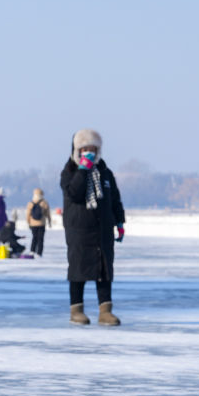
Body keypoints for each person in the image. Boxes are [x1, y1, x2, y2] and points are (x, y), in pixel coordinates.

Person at [60, 128, 125, 326]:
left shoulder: (105, 173)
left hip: (103, 229)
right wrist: (83, 170)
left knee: (104, 271)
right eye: (84, 149)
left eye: (93, 149)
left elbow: (114, 199)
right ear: (76, 150)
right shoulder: (69, 172)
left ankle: (105, 311)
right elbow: (75, 194)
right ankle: (76, 310)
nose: (89, 152)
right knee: (78, 270)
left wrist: (119, 222)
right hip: (79, 230)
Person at [26, 188, 52, 257]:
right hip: (41, 223)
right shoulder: (44, 202)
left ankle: (32, 251)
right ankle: (39, 253)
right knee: (40, 239)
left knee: (34, 237)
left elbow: (28, 214)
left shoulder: (31, 203)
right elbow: (48, 213)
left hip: (33, 224)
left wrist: (28, 222)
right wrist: (49, 221)